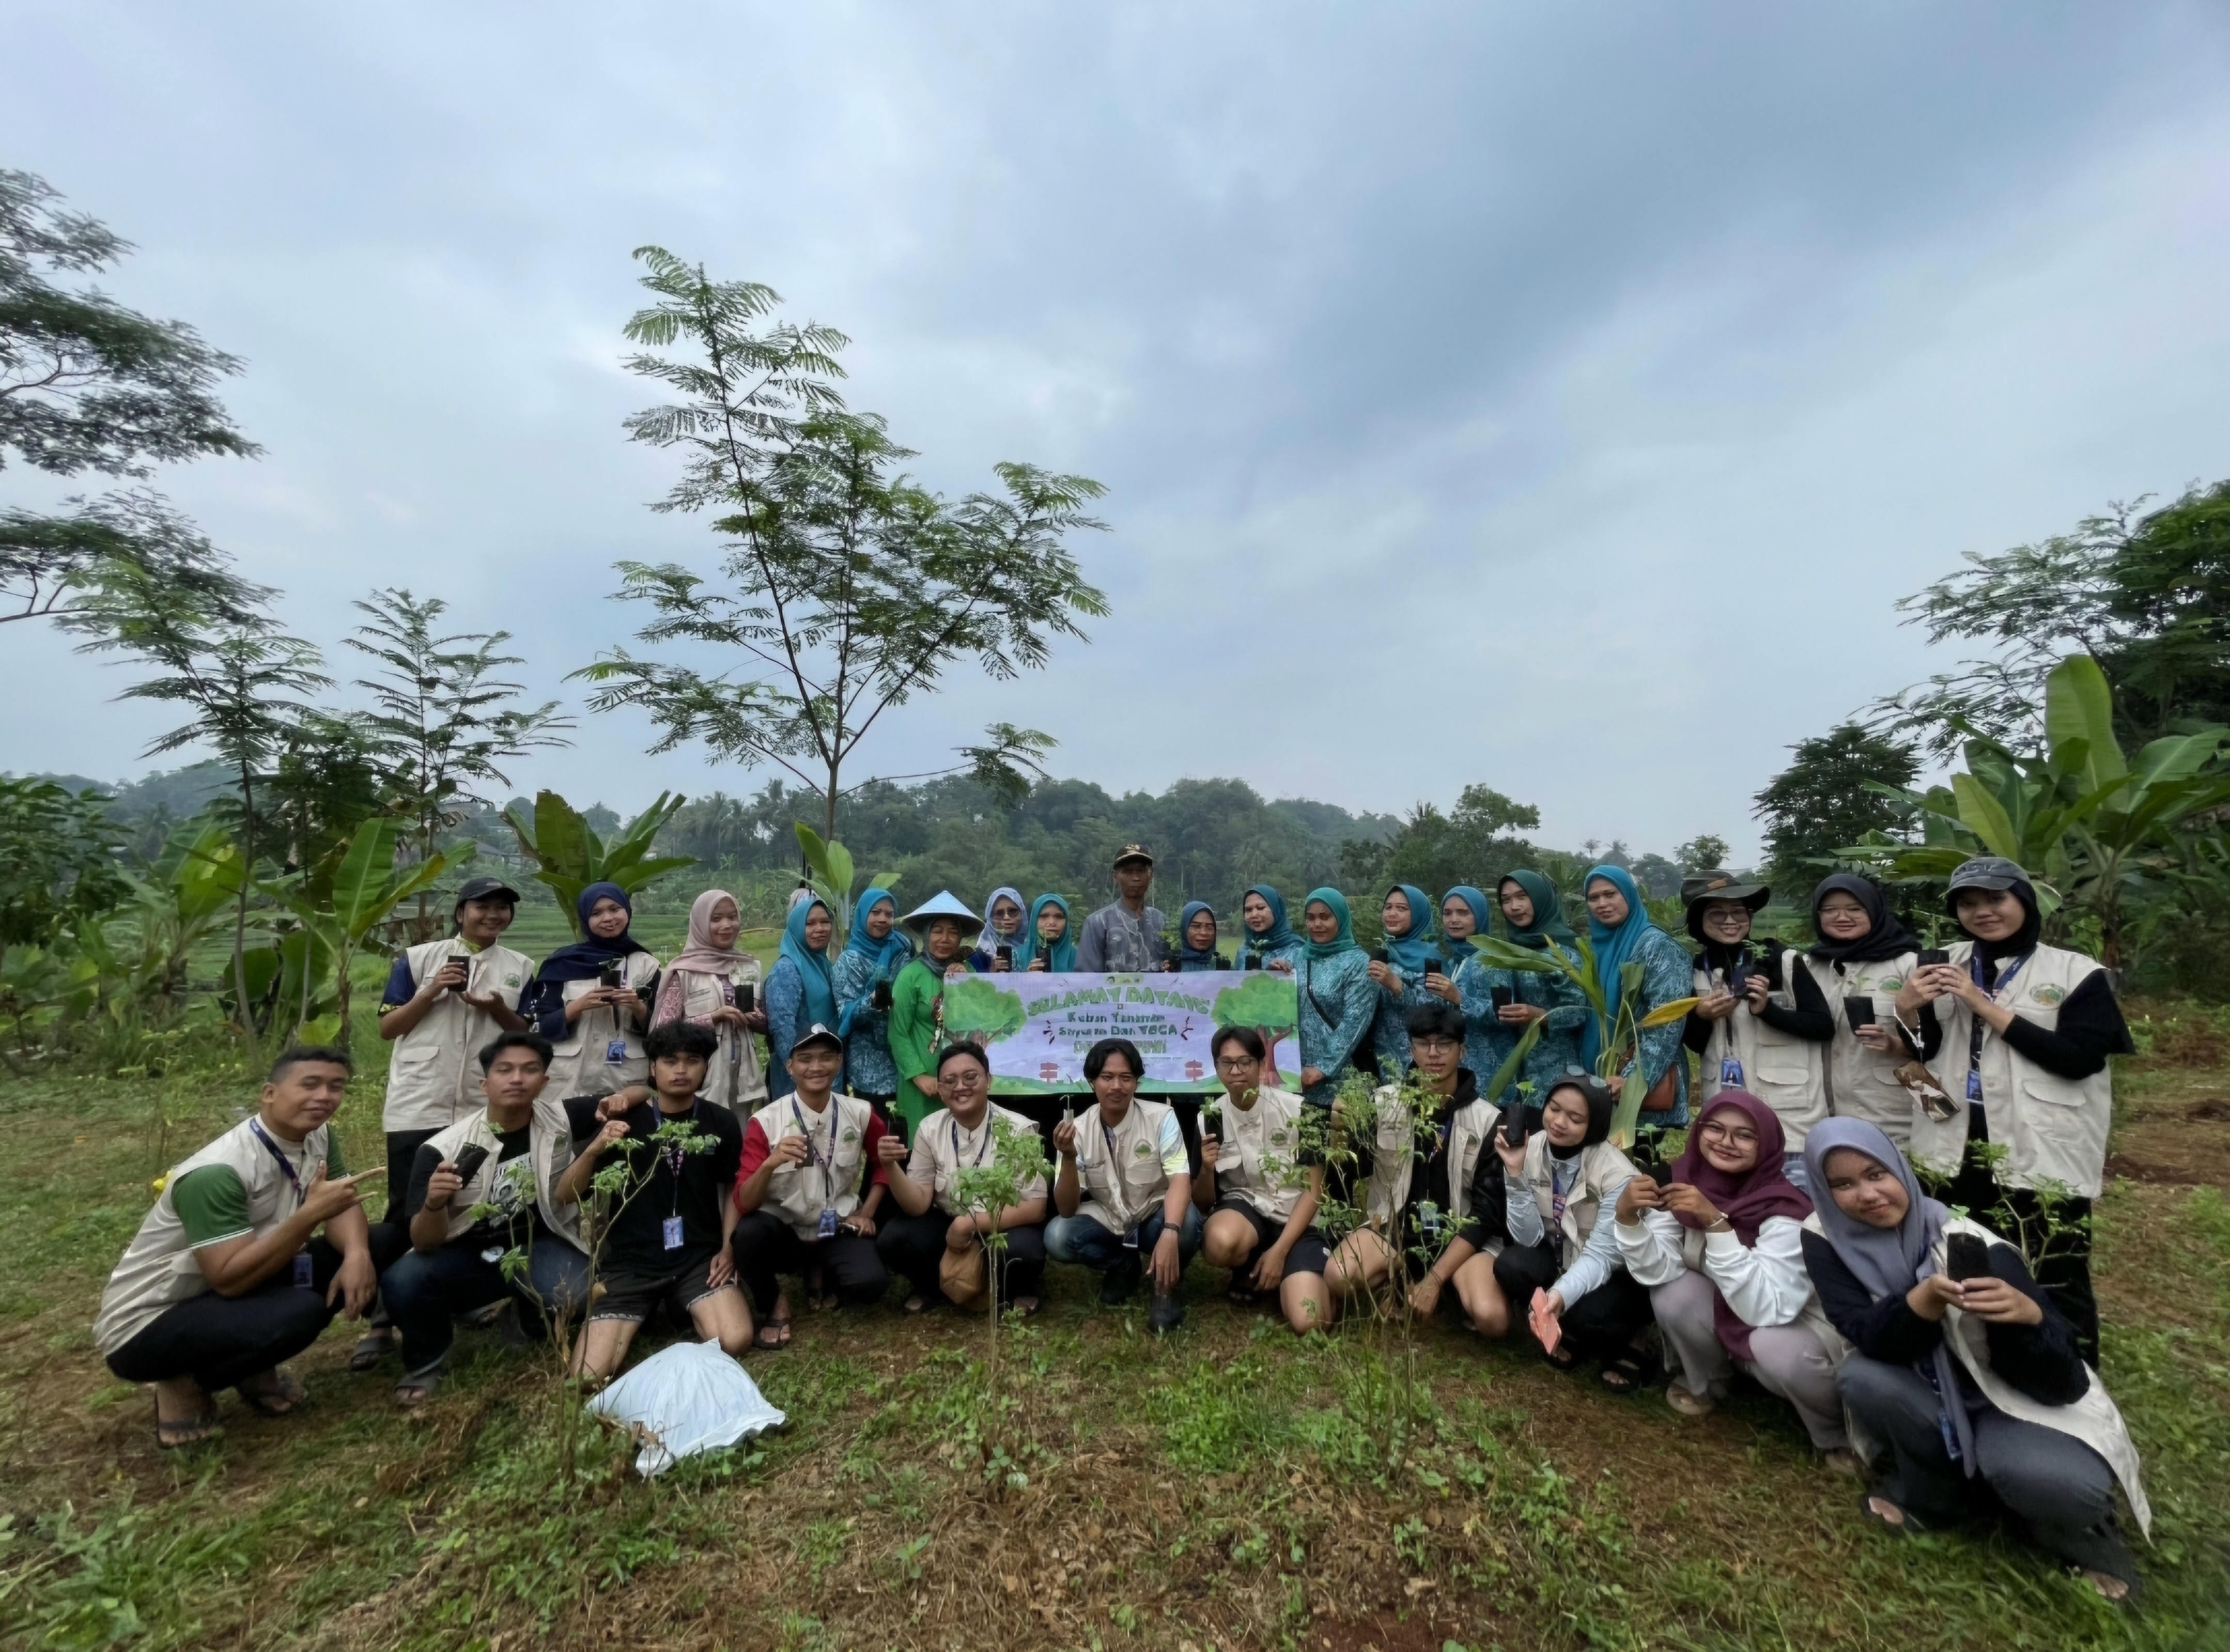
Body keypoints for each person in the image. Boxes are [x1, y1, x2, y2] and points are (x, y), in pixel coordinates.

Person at [1800, 1119, 2148, 1603]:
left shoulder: (1971, 1246)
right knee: (1862, 1376)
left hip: (2009, 1399)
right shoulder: (1825, 1235)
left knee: (2061, 1484)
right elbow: (1864, 1334)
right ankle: (1937, 1496)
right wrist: (1918, 1305)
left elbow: (2063, 1383)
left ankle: (2072, 1533)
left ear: (1902, 1169)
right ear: (1822, 1189)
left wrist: (2028, 1319)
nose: (1867, 1195)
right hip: (1927, 1389)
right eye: (1843, 1184)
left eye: (1877, 1173)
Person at [93, 1046, 404, 1448]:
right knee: (297, 1313)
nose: (325, 1097)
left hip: (245, 1277)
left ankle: (251, 1368)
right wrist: (310, 1215)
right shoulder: (216, 1173)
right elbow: (229, 1281)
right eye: (309, 1084)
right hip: (153, 1319)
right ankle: (184, 1382)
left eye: (336, 1087)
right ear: (269, 1094)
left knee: (383, 1241)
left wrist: (358, 1255)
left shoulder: (319, 1135)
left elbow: (340, 1204)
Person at [1897, 857, 2131, 1365]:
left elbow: (2078, 1059)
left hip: (2041, 1147)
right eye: (1968, 902)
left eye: (1995, 899)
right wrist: (1908, 1006)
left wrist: (1984, 1004)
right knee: (1964, 1260)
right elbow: (1926, 1049)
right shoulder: (1943, 961)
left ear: (2023, 900)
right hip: (1955, 1146)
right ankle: (1980, 1370)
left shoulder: (2075, 972)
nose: (1982, 911)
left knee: (2055, 1272)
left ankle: (2075, 1384)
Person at [1613, 1090, 1851, 1464]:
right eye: (1715, 1129)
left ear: (1768, 1145)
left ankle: (1835, 1431)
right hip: (1731, 1307)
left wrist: (1715, 1222)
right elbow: (1656, 1270)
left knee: (1777, 1352)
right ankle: (1710, 1382)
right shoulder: (1684, 1178)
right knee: (1672, 1295)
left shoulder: (1787, 1209)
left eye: (1745, 1135)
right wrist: (1627, 1218)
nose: (1726, 1142)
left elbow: (1766, 1309)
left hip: (1790, 1323)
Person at [381, 1031, 596, 1407]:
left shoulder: (559, 1118)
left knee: (579, 1293)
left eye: (530, 1070)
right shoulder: (443, 1149)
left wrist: (626, 1099)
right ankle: (426, 1361)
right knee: (405, 1279)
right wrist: (434, 1205)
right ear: (485, 1083)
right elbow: (424, 1242)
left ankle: (526, 1317)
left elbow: (634, 1097)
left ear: (544, 1082)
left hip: (537, 1243)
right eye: (505, 1070)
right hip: (468, 1255)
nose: (517, 1079)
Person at [559, 1020, 750, 1382]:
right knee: (588, 1375)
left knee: (735, 1339)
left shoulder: (720, 1122)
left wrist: (727, 1249)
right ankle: (650, 1309)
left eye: (693, 1060)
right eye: (670, 1060)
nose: (681, 1070)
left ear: (706, 1067)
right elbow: (566, 1195)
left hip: (697, 1258)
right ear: (652, 1067)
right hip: (631, 1265)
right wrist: (594, 1150)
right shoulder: (624, 1124)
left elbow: (732, 1191)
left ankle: (682, 1304)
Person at [1319, 1002, 1506, 1338]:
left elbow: (1486, 1214)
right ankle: (1402, 1277)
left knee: (1492, 1320)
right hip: (1393, 1228)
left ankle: (1443, 1280)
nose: (1433, 1053)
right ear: (1411, 1049)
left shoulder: (1488, 1119)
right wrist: (1340, 1134)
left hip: (1460, 1238)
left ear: (1462, 1051)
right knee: (1338, 1276)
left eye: (1444, 1044)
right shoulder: (1383, 1102)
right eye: (1423, 1044)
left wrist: (1435, 1280)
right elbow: (1349, 1172)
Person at [374, 875, 534, 1221]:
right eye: (483, 907)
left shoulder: (520, 967)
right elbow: (388, 1028)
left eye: (502, 908)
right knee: (407, 1201)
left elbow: (523, 1031)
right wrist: (431, 991)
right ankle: (401, 1271)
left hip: (481, 1102)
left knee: (472, 1199)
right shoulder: (418, 959)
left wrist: (496, 1007)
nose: (493, 915)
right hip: (418, 1100)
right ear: (461, 914)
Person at [731, 1024, 895, 1346]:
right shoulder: (765, 1122)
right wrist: (771, 1162)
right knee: (748, 1235)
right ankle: (775, 1301)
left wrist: (869, 1212)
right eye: (805, 1059)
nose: (816, 1067)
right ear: (789, 1067)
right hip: (786, 1234)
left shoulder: (860, 1113)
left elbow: (884, 1162)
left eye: (826, 1057)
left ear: (839, 1062)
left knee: (871, 1284)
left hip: (838, 1226)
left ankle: (821, 1269)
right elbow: (744, 1202)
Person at [1490, 1072, 1656, 1389]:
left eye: (1575, 1118)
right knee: (1511, 1265)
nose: (1559, 1123)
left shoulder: (1617, 1174)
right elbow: (1528, 1239)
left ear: (1595, 1126)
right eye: (1554, 1109)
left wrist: (1559, 1294)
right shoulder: (1532, 1147)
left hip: (1616, 1271)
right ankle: (1569, 1327)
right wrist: (1514, 1173)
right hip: (1561, 1253)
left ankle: (1630, 1340)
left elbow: (1602, 1257)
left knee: (1589, 1312)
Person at [1801, 874, 1964, 1170]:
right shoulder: (1809, 966)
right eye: (1830, 910)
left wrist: (1896, 1044)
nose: (1842, 917)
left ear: (1874, 911)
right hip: (1825, 1109)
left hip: (1897, 1112)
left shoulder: (1910, 964)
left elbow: (1945, 1045)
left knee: (1904, 1186)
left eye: (1855, 909)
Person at [874, 1042, 1050, 1315]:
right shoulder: (930, 1128)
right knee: (895, 1239)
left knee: (1025, 1251)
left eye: (971, 1077)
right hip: (949, 1222)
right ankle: (935, 1289)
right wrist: (890, 1166)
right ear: (941, 1090)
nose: (960, 1087)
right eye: (950, 1080)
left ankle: (1009, 1291)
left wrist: (969, 1224)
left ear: (988, 1081)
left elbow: (1036, 1207)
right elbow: (918, 1205)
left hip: (1001, 1223)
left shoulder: (1020, 1129)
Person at [1678, 873, 1828, 1186]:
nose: (1729, 921)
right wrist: (1701, 1015)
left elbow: (1823, 1026)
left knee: (1793, 1213)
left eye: (1739, 912)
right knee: (1737, 1212)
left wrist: (1768, 1012)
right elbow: (1695, 1044)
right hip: (1726, 1118)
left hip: (1789, 1117)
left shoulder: (1780, 960)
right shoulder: (1695, 969)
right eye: (1717, 913)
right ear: (1698, 921)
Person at [1047, 1038, 1204, 1331]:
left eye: (1126, 1078)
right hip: (1110, 1218)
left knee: (1187, 1223)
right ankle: (1122, 1265)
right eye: (1107, 1077)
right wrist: (1068, 1158)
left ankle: (1164, 1291)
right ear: (1092, 1082)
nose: (1116, 1086)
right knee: (1057, 1235)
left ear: (1137, 1082)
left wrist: (1170, 1233)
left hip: (1153, 1215)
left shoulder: (1161, 1118)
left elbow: (1180, 1179)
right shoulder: (1077, 1130)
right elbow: (1066, 1208)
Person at [1193, 1026, 1328, 1330]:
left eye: (1245, 1062)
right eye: (1226, 1063)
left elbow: (1314, 1192)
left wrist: (1279, 1252)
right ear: (1216, 1068)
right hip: (1249, 1211)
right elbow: (1203, 1202)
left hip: (1300, 1219)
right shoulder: (1209, 1118)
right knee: (1217, 1242)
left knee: (1310, 1322)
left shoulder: (1300, 1111)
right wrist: (1205, 1169)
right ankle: (1249, 1267)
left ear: (1262, 1064)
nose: (1236, 1070)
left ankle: (1290, 1267)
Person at [522, 882, 660, 1101]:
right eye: (597, 913)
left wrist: (638, 1007)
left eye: (615, 909)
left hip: (627, 1083)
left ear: (627, 910)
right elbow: (535, 1026)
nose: (608, 918)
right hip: (569, 1082)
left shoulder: (646, 965)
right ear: (586, 919)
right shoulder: (561, 964)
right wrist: (576, 1007)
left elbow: (664, 1028)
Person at [1580, 865, 1693, 1129]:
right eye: (1593, 898)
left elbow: (1665, 1024)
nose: (1602, 904)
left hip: (1636, 1090)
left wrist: (1631, 1081)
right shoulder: (1592, 947)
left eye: (1611, 894)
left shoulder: (1657, 946)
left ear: (1629, 895)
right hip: (1596, 1085)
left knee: (1637, 1167)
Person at [649, 888, 769, 1118]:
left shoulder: (749, 966)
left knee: (739, 1138)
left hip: (743, 1074)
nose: (727, 925)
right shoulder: (684, 971)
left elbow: (765, 1024)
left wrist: (752, 1017)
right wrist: (715, 1017)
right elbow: (664, 1031)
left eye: (733, 917)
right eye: (716, 919)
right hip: (700, 1075)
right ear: (701, 924)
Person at [1473, 871, 1589, 1107]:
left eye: (1522, 897)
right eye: (1506, 900)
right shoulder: (1507, 950)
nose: (1514, 907)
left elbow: (1581, 1012)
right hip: (1513, 1073)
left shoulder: (1561, 952)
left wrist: (1538, 1015)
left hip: (1555, 1075)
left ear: (1539, 898)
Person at [890, 891, 981, 1137]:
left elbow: (980, 1019)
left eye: (953, 931)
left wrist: (965, 983)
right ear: (927, 934)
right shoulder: (910, 976)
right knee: (923, 1149)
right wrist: (920, 1076)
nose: (945, 938)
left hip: (963, 1083)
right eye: (938, 930)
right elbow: (898, 1033)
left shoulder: (969, 971)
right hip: (923, 1082)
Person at [833, 889, 912, 1120]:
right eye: (875, 913)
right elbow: (845, 1013)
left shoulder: (902, 946)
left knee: (905, 1131)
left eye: (889, 914)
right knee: (877, 1132)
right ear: (862, 916)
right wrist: (873, 1002)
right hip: (869, 1066)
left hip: (903, 1055)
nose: (882, 919)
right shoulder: (849, 960)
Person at [1295, 889, 1378, 1110]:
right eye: (1311, 918)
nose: (1317, 924)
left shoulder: (1359, 963)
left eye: (1325, 917)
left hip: (1339, 1080)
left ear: (1340, 919)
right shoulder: (1299, 957)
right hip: (1296, 1079)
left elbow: (1355, 1021)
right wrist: (1278, 972)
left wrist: (1322, 1069)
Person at [764, 896, 841, 1101]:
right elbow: (782, 1027)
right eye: (810, 923)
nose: (820, 929)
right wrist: (798, 1070)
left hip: (825, 1067)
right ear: (798, 928)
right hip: (798, 1076)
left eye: (825, 922)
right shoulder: (787, 969)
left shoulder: (823, 964)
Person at [1364, 884, 1442, 1080]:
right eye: (1388, 907)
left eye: (1402, 908)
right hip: (1377, 1059)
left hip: (1416, 1062)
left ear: (1418, 915)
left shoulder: (1431, 958)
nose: (1392, 913)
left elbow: (1436, 1012)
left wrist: (1396, 985)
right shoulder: (1385, 951)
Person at [1429, 885, 1495, 1090]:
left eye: (1463, 913)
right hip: (1456, 1069)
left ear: (1480, 916)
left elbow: (1503, 1015)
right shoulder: (1454, 960)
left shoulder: (1493, 959)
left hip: (1490, 1072)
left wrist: (1460, 999)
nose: (1453, 919)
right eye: (1447, 913)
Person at [1076, 846, 1170, 973]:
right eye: (1128, 872)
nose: (1136, 878)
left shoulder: (1160, 921)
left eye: (1141, 871)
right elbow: (1087, 977)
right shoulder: (1098, 923)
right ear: (1115, 876)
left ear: (1151, 875)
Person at [1237, 884, 1304, 973]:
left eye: (1261, 908)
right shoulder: (1244, 950)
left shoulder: (1297, 950)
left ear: (1276, 910)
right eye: (1248, 910)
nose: (1254, 915)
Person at [967, 886, 1029, 973]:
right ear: (991, 918)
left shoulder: (1035, 951)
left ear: (1022, 914)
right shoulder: (979, 958)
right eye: (999, 913)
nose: (1007, 917)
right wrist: (991, 972)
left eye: (1013, 911)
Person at [1015, 893, 1078, 972]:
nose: (1052, 922)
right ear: (1034, 920)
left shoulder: (1081, 958)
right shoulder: (1016, 957)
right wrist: (1027, 979)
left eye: (1059, 916)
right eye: (1044, 916)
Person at [1175, 900, 1225, 971]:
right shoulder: (1172, 967)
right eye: (1196, 926)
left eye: (1209, 927)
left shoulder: (1222, 965)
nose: (1204, 933)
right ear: (1184, 929)